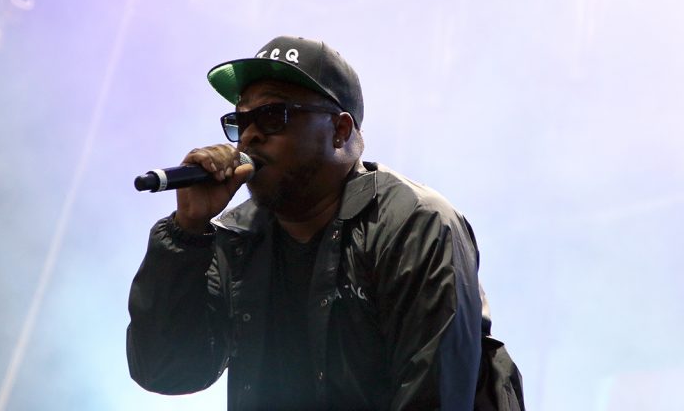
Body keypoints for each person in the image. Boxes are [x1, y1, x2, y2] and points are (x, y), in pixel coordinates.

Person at [126, 35, 525, 410]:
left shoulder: (414, 226)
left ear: (340, 130)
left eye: (272, 116)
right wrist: (188, 232)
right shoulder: (237, 237)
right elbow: (166, 370)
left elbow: (434, 396)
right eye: (241, 121)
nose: (248, 137)